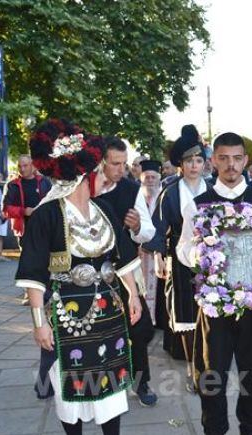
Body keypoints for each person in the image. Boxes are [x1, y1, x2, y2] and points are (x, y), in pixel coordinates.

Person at [17, 118, 141, 435]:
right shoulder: (46, 216)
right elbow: (32, 276)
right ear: (83, 176)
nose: (103, 175)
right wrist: (39, 324)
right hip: (67, 316)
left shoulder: (103, 211)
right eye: (97, 171)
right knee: (69, 387)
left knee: (113, 386)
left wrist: (132, 295)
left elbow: (123, 258)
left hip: (108, 312)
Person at [177, 132, 252, 435]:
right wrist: (202, 252)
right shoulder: (200, 204)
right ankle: (214, 432)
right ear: (213, 161)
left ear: (245, 161)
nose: (231, 164)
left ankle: (251, 431)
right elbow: (182, 250)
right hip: (216, 303)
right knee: (212, 370)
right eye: (223, 158)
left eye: (236, 158)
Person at [143, 125, 209, 392]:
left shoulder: (214, 189)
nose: (195, 165)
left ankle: (210, 363)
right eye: (189, 161)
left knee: (212, 312)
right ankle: (194, 369)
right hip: (180, 259)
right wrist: (159, 257)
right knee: (184, 312)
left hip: (211, 261)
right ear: (180, 164)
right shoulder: (170, 192)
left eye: (199, 160)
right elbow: (159, 226)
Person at [99, 136, 158, 407]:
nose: (121, 170)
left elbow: (148, 230)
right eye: (115, 164)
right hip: (89, 274)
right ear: (101, 162)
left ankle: (140, 382)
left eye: (124, 163)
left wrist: (136, 228)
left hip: (123, 270)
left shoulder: (130, 188)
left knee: (139, 327)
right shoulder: (83, 188)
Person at [4, 154, 52, 245]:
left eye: (25, 166)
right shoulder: (12, 185)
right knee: (26, 257)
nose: (22, 169)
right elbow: (6, 209)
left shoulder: (44, 182)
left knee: (44, 257)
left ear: (32, 166)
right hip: (23, 230)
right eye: (19, 166)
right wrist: (23, 211)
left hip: (43, 227)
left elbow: (53, 204)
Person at [136, 160, 161, 323]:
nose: (150, 180)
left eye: (153, 177)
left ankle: (157, 319)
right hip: (138, 251)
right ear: (141, 178)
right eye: (147, 177)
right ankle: (144, 319)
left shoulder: (163, 196)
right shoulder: (134, 196)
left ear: (159, 179)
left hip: (158, 251)